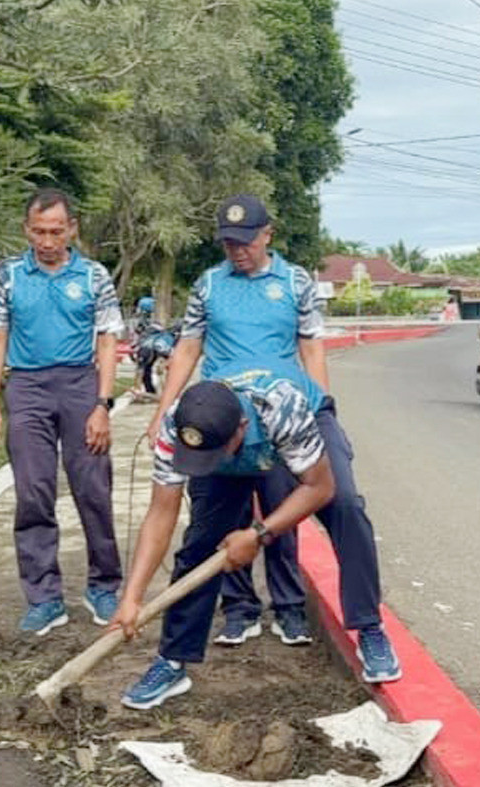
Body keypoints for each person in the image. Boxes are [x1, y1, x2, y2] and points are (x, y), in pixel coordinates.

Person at [114, 359, 400, 710]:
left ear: (241, 429)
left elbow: (319, 488)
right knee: (201, 543)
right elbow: (161, 513)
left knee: (346, 507)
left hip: (304, 422)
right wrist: (132, 596)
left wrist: (259, 533)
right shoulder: (178, 426)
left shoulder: (282, 408)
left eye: (213, 456)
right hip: (231, 438)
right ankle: (172, 660)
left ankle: (369, 627)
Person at [147, 194, 329, 648]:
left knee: (280, 511)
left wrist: (321, 405)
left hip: (273, 416)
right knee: (216, 515)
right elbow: (188, 347)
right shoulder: (209, 285)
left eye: (246, 242)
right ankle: (239, 608)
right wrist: (162, 411)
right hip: (221, 417)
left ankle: (288, 608)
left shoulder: (295, 281)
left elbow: (310, 345)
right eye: (229, 244)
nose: (238, 251)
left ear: (267, 234)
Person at [0, 188, 125, 635]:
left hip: (80, 386)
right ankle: (43, 596)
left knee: (93, 489)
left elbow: (106, 341)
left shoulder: (94, 276)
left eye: (56, 232)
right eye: (39, 232)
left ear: (72, 229)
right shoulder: (6, 276)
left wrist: (102, 405)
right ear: (27, 230)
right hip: (27, 388)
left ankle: (104, 585)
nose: (47, 241)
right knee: (33, 493)